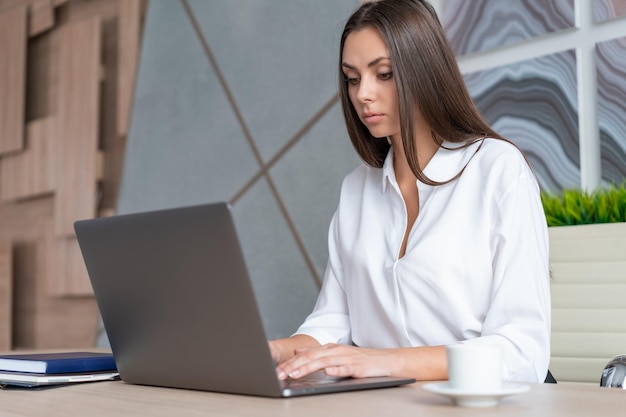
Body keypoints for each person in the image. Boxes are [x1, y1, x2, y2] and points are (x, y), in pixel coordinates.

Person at [269, 0, 551, 383]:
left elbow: (523, 353)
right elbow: (332, 320)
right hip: (390, 402)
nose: (363, 94)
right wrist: (278, 350)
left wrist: (384, 362)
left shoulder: (497, 169)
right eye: (352, 78)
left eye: (383, 74)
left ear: (424, 70)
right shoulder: (355, 190)